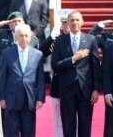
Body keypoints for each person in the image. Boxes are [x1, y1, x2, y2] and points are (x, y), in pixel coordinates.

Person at [0, 11, 39, 137]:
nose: (16, 23)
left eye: (19, 21)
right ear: (8, 24)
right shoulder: (2, 35)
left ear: (24, 23)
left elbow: (36, 62)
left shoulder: (32, 40)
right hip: (6, 85)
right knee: (8, 122)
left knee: (27, 123)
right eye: (13, 21)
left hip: (25, 86)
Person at [51, 11, 101, 137]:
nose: (74, 22)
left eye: (77, 20)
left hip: (85, 89)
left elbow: (95, 66)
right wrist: (73, 58)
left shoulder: (91, 40)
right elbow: (55, 65)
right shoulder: (60, 41)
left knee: (85, 124)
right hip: (66, 89)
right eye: (72, 20)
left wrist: (96, 89)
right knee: (68, 124)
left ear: (82, 22)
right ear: (67, 22)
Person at [0, 24, 45, 137]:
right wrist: (1, 97)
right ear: (16, 37)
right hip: (11, 99)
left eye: (26, 36)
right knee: (11, 132)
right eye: (21, 36)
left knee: (28, 132)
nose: (24, 38)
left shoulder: (38, 55)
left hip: (29, 99)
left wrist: (40, 98)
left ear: (30, 37)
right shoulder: (7, 53)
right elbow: (2, 76)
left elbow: (40, 79)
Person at [89, 11, 113, 137]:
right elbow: (89, 38)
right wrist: (102, 24)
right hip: (111, 81)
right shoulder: (106, 37)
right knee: (111, 115)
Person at [39, 9, 73, 137]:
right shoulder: (57, 40)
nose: (66, 26)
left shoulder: (82, 38)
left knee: (74, 117)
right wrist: (51, 38)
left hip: (75, 82)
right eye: (63, 23)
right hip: (59, 83)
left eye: (68, 23)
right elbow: (41, 53)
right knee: (58, 117)